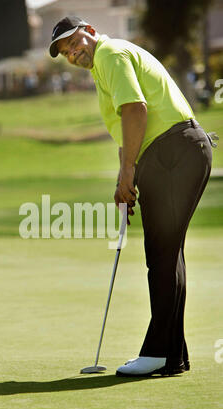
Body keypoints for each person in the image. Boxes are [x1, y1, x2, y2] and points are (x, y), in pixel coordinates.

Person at [49, 16, 216, 376]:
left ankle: (158, 353)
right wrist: (125, 176)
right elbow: (128, 128)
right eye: (65, 51)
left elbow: (135, 109)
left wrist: (129, 173)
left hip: (174, 151)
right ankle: (172, 355)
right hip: (174, 152)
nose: (71, 52)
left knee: (161, 254)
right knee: (167, 254)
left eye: (73, 41)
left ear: (90, 31)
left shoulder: (110, 53)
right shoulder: (103, 67)